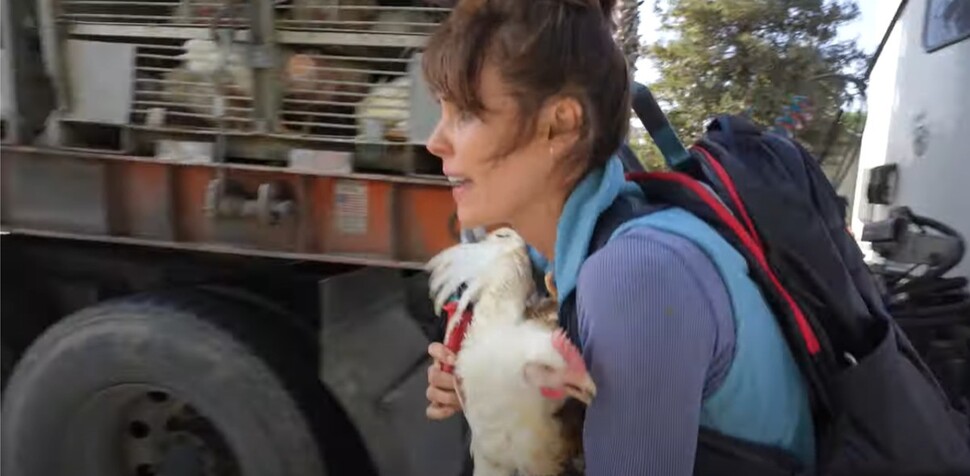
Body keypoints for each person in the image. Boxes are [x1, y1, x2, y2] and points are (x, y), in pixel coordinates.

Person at [420, 0, 816, 474]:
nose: (434, 141)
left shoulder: (639, 276)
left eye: (465, 113)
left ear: (561, 125)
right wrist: (493, 394)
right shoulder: (544, 260)